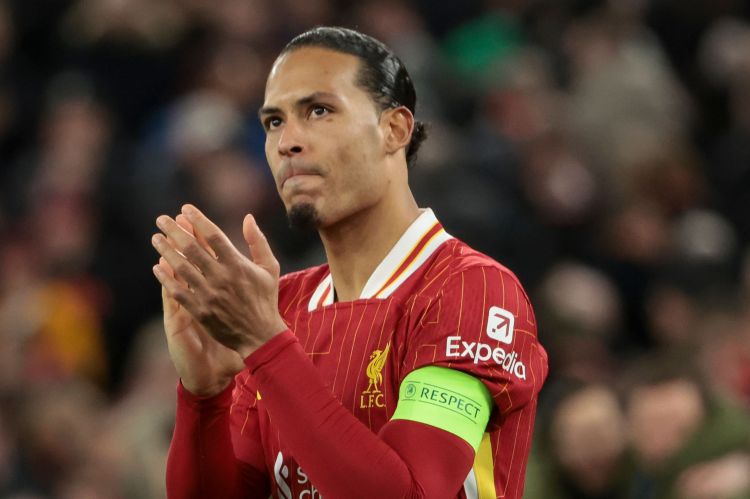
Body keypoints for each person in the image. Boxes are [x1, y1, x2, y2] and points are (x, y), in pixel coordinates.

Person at [151, 26, 548, 499]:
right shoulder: (282, 306)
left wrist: (266, 344)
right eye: (273, 122)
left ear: (395, 129)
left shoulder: (471, 290)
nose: (287, 142)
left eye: (319, 111)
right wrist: (204, 398)